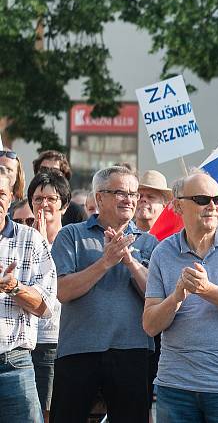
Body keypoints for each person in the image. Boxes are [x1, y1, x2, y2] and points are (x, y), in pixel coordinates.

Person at [143, 171, 218, 421]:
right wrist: (177, 296)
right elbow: (150, 325)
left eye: (217, 199)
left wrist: (207, 290)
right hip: (175, 387)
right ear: (177, 206)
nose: (212, 206)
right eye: (201, 199)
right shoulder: (163, 252)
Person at [50, 165, 159, 423]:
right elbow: (62, 291)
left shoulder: (149, 242)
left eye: (134, 193)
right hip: (78, 350)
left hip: (131, 351)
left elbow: (157, 298)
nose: (130, 200)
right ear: (99, 197)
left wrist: (131, 263)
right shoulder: (71, 236)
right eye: (121, 192)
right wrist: (105, 262)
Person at [0, 171, 58, 422]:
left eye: (1, 193)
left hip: (14, 363)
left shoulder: (31, 240)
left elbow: (45, 306)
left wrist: (13, 286)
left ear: (12, 197)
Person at [27, 171, 70, 422]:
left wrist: (44, 246)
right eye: (37, 199)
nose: (44, 204)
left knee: (49, 412)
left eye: (51, 198)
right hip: (28, 341)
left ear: (63, 204)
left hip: (56, 341)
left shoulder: (71, 238)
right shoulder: (24, 239)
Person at [32, 150, 85, 227]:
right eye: (44, 170)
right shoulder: (23, 209)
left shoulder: (76, 212)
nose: (48, 174)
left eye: (55, 171)